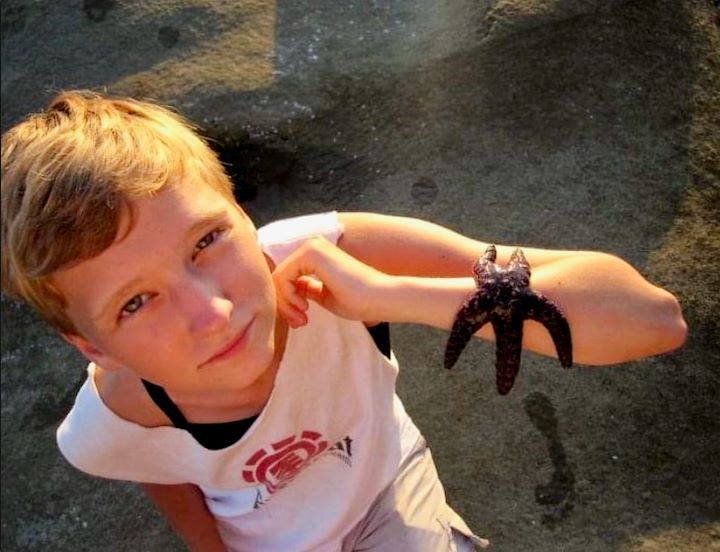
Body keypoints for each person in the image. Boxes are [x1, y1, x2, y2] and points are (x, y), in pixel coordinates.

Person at [0, 90, 687, 552]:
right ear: (95, 348)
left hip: (393, 496)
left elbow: (650, 319)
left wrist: (396, 296)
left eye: (207, 241)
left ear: (242, 211)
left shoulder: (334, 252)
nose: (211, 312)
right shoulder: (105, 427)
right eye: (135, 302)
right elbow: (161, 468)